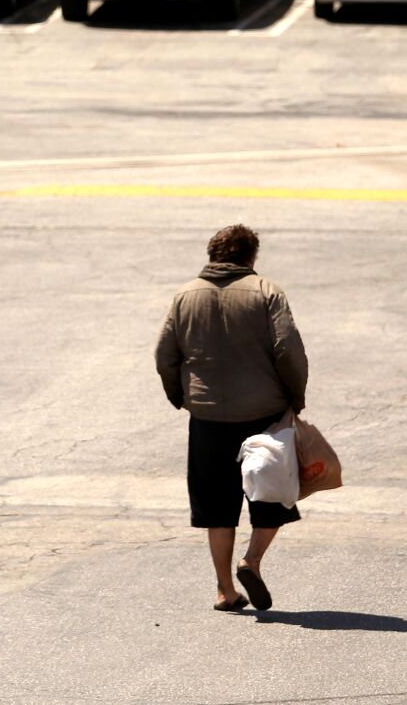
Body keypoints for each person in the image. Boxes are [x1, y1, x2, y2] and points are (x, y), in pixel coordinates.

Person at [154, 224, 308, 614]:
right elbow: (287, 349)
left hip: (207, 418)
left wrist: (182, 398)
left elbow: (164, 354)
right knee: (272, 495)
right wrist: (295, 398)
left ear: (212, 254)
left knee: (215, 505)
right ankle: (251, 561)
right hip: (264, 413)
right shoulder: (265, 292)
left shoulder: (185, 295)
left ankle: (225, 590)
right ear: (250, 257)